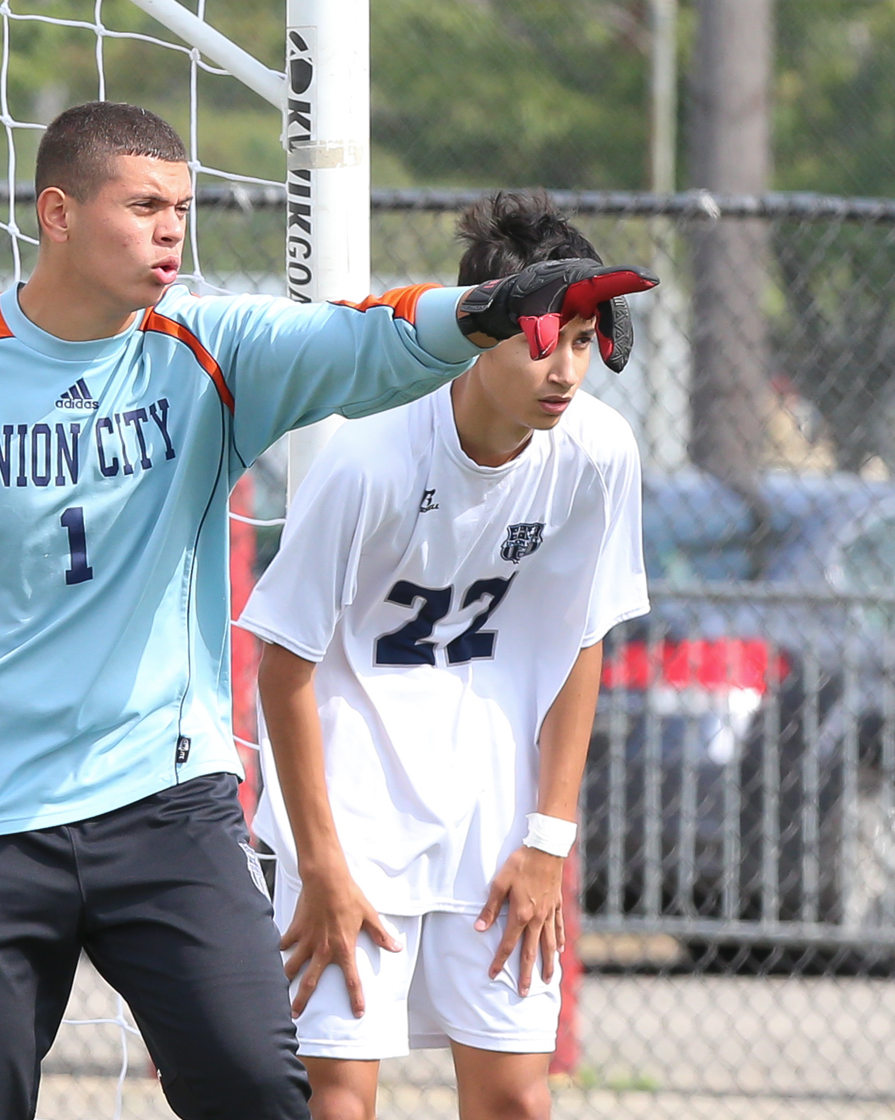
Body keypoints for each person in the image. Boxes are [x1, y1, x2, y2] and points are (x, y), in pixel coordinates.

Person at [0, 102, 652, 1120]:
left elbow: (366, 342)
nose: (170, 230)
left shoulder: (209, 352)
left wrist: (490, 309)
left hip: (163, 801)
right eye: (141, 207)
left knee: (262, 1090)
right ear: (56, 212)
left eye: (181, 207)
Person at [240, 191, 654, 1120]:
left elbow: (582, 638)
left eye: (585, 342)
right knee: (336, 1103)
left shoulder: (599, 454)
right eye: (545, 338)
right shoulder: (370, 459)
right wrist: (321, 865)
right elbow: (285, 663)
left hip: (495, 824)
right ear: (483, 331)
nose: (566, 370)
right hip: (352, 823)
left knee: (518, 1100)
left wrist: (549, 837)